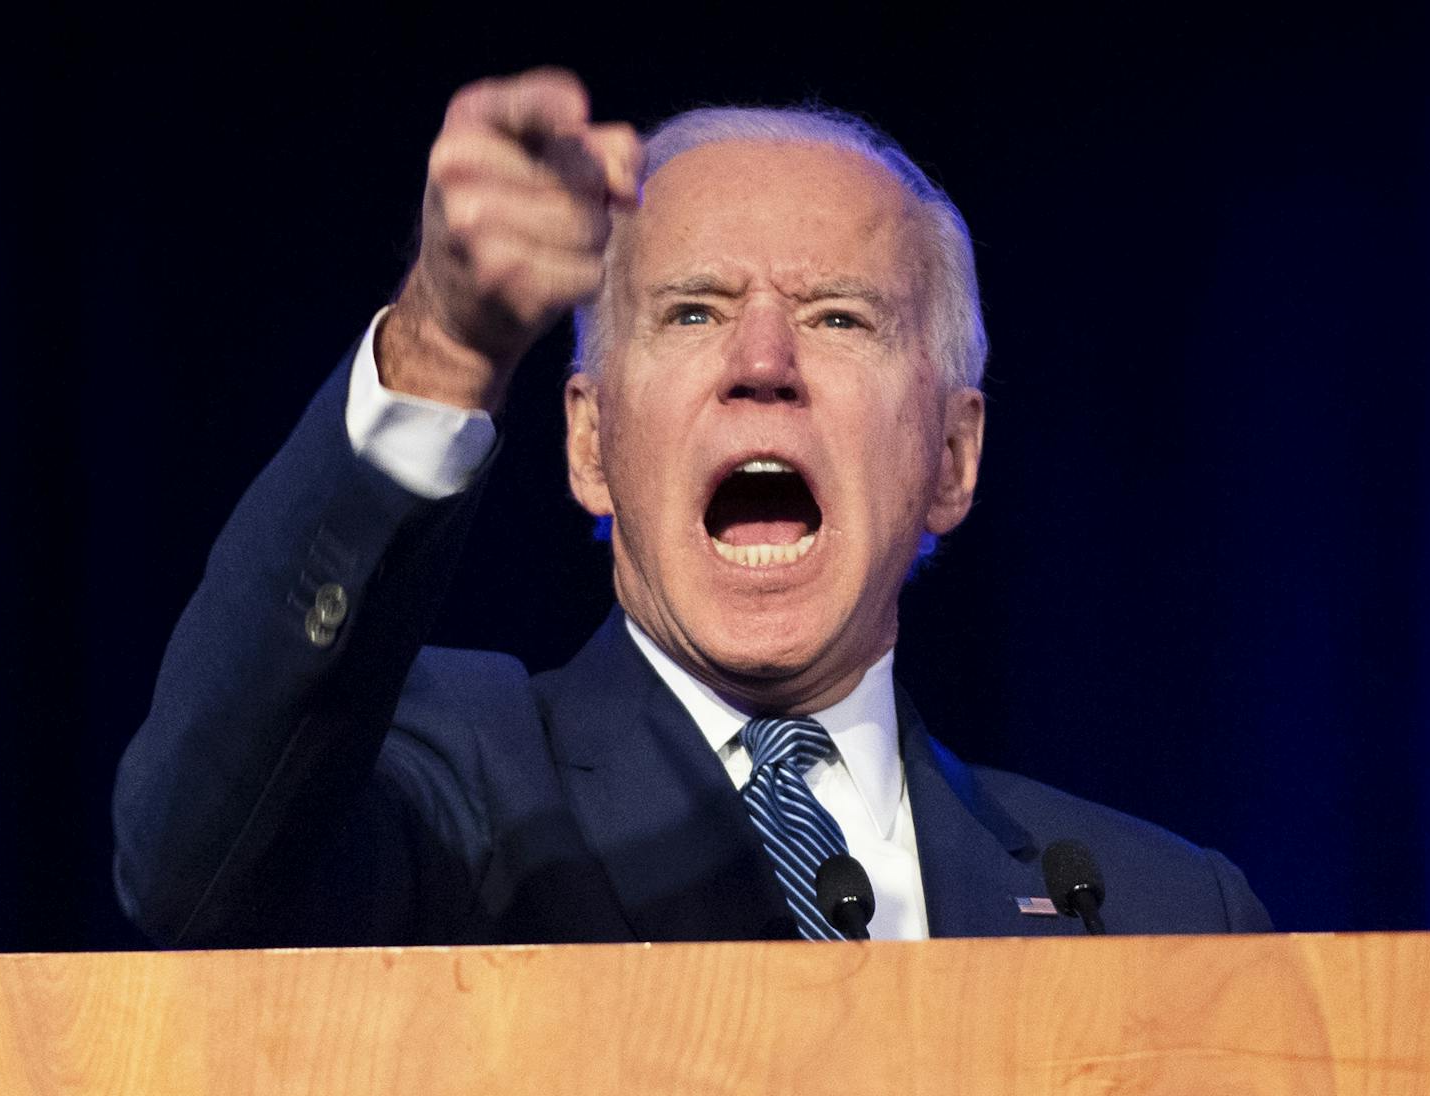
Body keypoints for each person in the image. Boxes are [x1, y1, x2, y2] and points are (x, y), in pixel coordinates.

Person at [113, 68, 1270, 947]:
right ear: (589, 444)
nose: (762, 362)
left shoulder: (1161, 915)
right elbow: (193, 869)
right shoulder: (453, 791)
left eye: (837, 316)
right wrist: (440, 349)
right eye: (693, 312)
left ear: (951, 459)